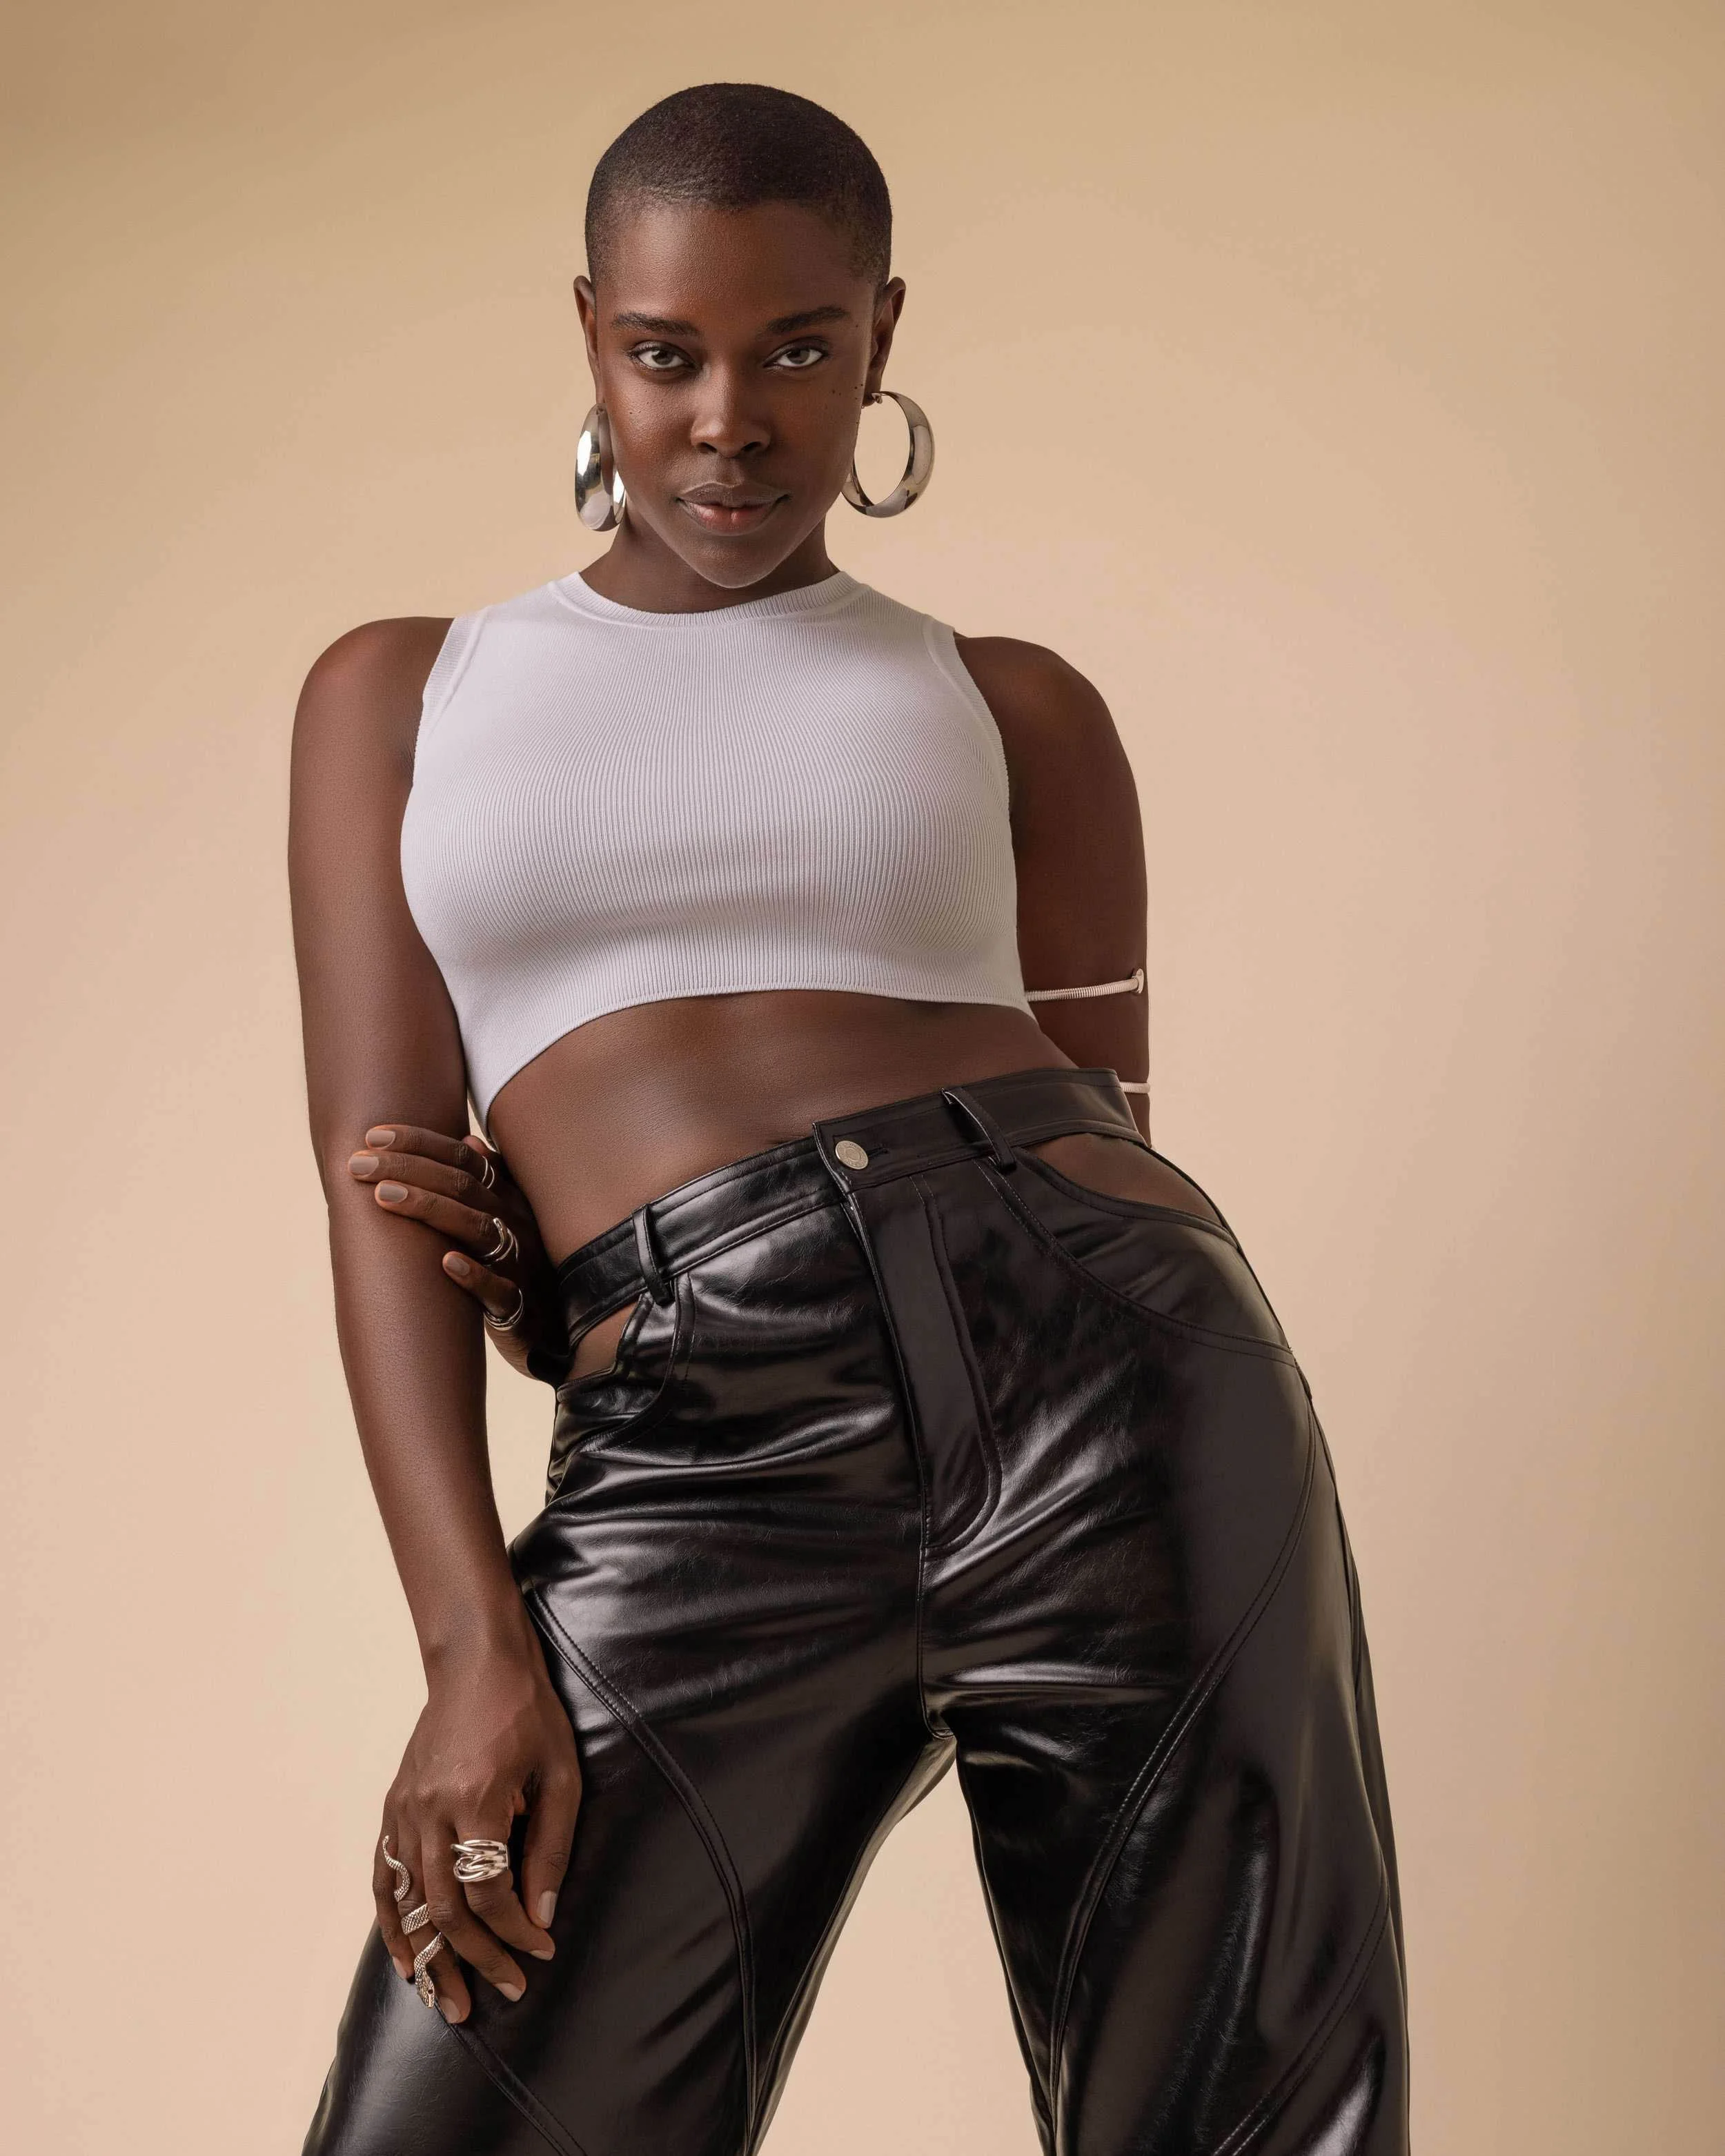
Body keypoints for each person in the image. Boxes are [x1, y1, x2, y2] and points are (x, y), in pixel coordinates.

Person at [292, 82, 1408, 2156]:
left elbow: (1106, 1115)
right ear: (591, 335)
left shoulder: (1013, 706)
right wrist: (473, 1640)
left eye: (799, 347)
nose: (732, 417)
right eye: (669, 352)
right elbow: (376, 1172)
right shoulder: (406, 690)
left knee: (1238, 2117)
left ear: (882, 336)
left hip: (1116, 1380)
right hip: (702, 1429)